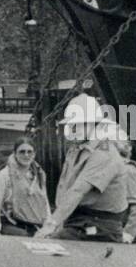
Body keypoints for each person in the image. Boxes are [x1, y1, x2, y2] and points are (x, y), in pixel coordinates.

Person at [35, 96, 128, 242]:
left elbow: (78, 190)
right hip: (79, 221)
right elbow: (64, 188)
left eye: (78, 125)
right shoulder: (76, 151)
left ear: (94, 124)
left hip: (101, 226)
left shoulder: (105, 153)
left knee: (57, 242)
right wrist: (57, 222)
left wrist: (51, 225)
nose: (73, 129)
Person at [0, 137, 52, 236]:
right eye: (22, 152)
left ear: (34, 154)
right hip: (11, 224)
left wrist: (48, 226)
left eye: (29, 152)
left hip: (33, 224)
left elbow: (44, 202)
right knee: (23, 236)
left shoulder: (39, 175)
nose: (26, 155)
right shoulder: (4, 176)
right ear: (15, 153)